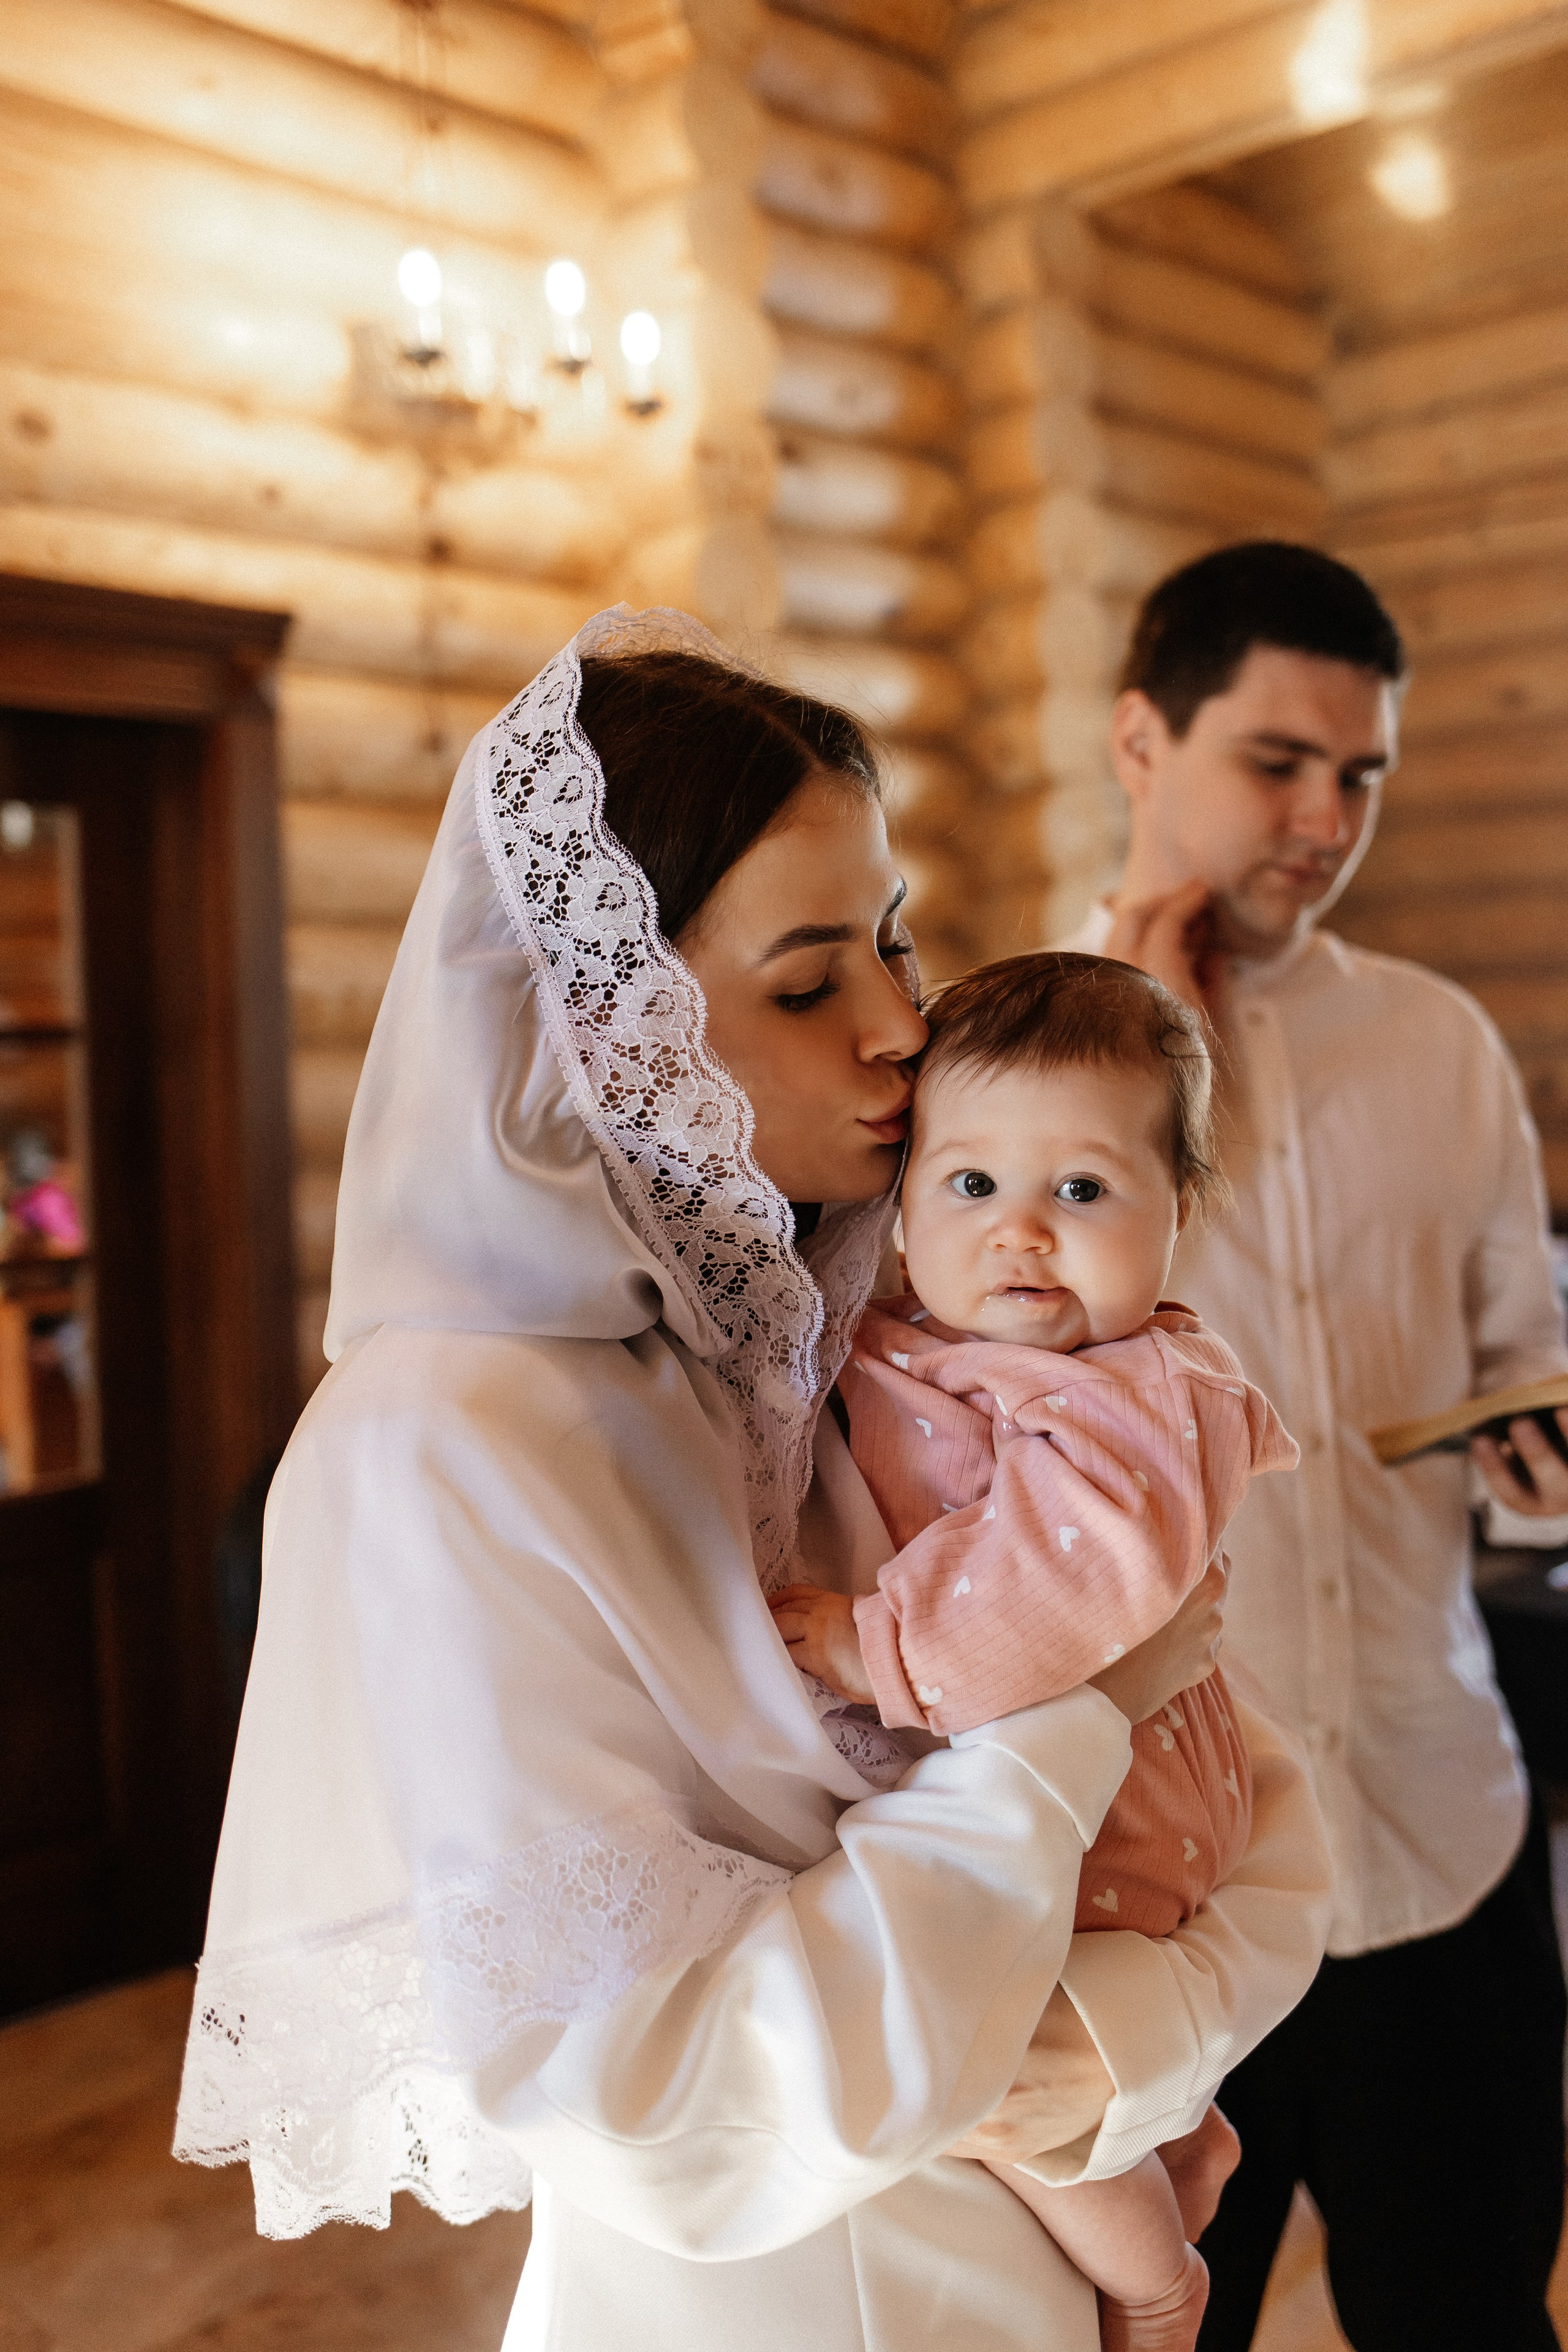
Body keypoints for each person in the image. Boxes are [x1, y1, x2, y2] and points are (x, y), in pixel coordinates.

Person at [175, 606, 1332, 2352]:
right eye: (807, 982)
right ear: (602, 1029)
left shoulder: (863, 1337)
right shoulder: (441, 1447)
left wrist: (1116, 2052)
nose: (900, 1028)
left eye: (893, 940)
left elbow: (1271, 1820)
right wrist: (1073, 1716)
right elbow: (661, 2116)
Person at [1072, 542, 1568, 2350]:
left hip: (1448, 1831)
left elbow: (1526, 1336)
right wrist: (1129, 1073)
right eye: (1277, 762)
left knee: (1478, 2325)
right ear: (1143, 739)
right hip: (1160, 1896)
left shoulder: (1439, 1045)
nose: (1324, 816)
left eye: (1361, 774)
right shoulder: (1008, 1068)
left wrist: (1543, 1432)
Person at [773, 951, 1304, 2352]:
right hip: (1046, 1790)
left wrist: (873, 1641)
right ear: (901, 1208)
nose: (1019, 1235)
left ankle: (1154, 2281)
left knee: (1006, 2084)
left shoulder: (1143, 1396)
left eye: (1079, 1191)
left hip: (1120, 1812)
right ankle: (1183, 2157)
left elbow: (1075, 1579)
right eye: (969, 1188)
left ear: (1174, 1214)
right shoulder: (910, 1337)